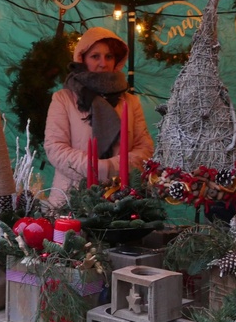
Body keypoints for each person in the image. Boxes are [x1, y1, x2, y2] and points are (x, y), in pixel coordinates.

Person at [44, 27, 154, 204]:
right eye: (95, 56)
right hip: (72, 199)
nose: (103, 63)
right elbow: (55, 147)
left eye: (109, 56)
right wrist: (97, 168)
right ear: (82, 59)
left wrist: (112, 167)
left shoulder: (130, 101)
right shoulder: (63, 99)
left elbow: (144, 148)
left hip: (122, 199)